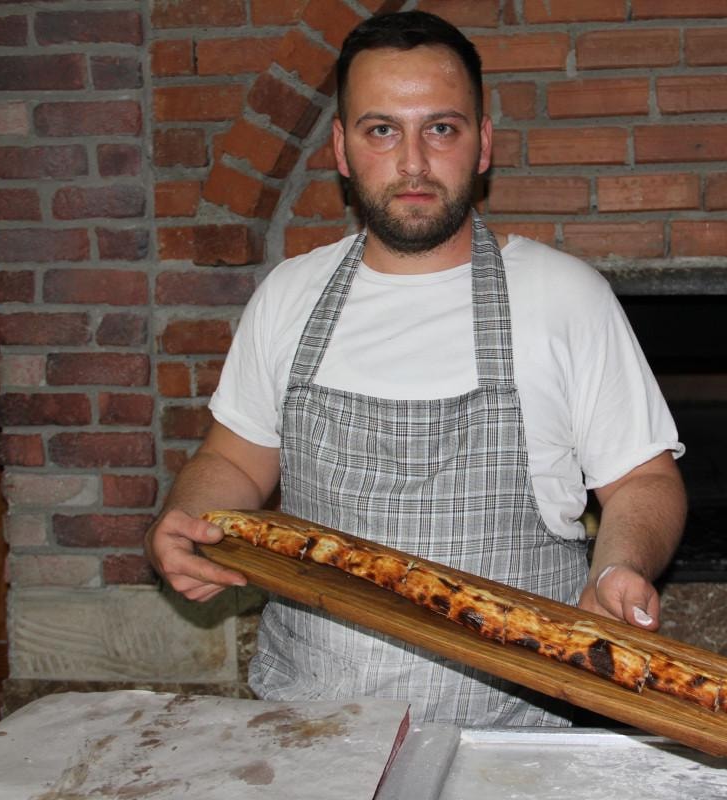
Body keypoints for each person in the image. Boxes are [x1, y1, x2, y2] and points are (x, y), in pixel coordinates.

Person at [144, 10, 686, 727]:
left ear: (482, 143)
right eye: (381, 130)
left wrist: (619, 567)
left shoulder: (563, 295)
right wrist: (188, 521)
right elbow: (234, 463)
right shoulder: (289, 296)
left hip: (516, 729)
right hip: (312, 725)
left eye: (441, 129)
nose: (412, 164)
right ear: (341, 149)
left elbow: (644, 480)